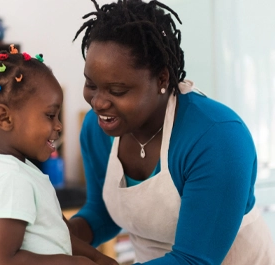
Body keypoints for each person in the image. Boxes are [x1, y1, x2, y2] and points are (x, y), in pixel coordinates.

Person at [68, 0, 275, 264]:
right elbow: (102, 214)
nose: (98, 102)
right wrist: (64, 234)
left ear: (162, 80)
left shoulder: (217, 139)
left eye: (117, 91)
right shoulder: (97, 130)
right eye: (91, 84)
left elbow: (193, 259)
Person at [0, 46, 118, 265]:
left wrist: (95, 257)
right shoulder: (12, 180)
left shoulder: (19, 172)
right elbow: (1, 260)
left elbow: (59, 233)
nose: (58, 126)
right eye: (50, 115)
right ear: (5, 118)